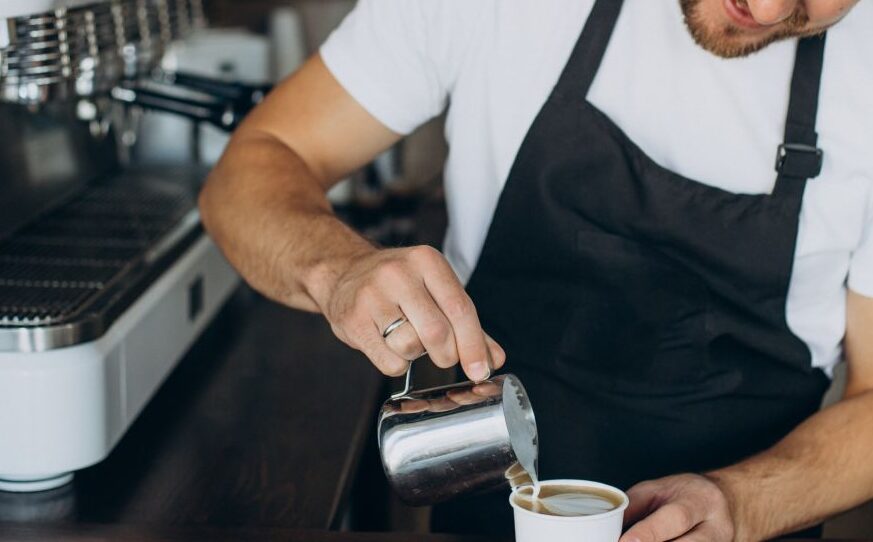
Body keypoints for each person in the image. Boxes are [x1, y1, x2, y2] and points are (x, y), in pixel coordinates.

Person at [199, 0, 873, 540]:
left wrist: (741, 504)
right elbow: (257, 161)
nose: (765, 4)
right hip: (485, 510)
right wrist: (338, 268)